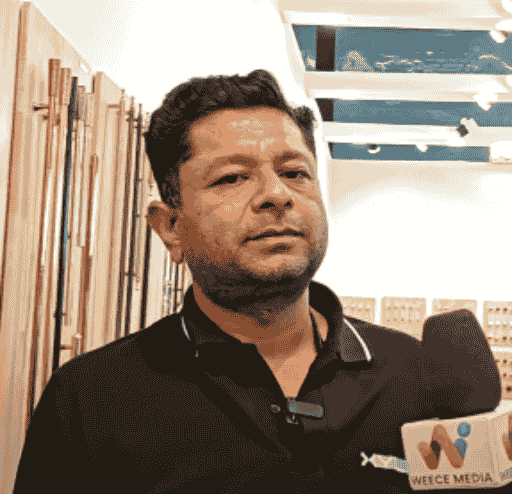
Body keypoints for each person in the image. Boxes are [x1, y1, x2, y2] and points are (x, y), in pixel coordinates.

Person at [13, 69, 502, 493]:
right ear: (170, 227)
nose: (276, 194)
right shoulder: (92, 398)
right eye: (231, 178)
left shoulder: (414, 377)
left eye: (295, 172)